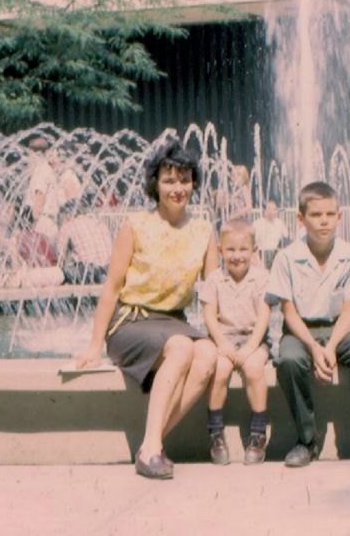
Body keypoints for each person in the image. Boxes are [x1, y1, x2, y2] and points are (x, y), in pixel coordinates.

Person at [75, 137, 219, 480]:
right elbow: (112, 288)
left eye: (184, 180)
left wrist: (226, 337)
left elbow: (212, 292)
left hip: (174, 323)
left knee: (208, 355)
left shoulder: (203, 231)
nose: (178, 188)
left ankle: (149, 444)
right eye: (169, 180)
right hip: (132, 322)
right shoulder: (136, 225)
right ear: (155, 184)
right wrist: (94, 346)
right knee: (182, 348)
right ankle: (152, 450)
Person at [267, 181, 350, 468]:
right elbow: (289, 313)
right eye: (316, 215)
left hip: (337, 330)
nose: (324, 221)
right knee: (289, 360)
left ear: (340, 217)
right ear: (300, 218)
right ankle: (306, 441)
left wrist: (329, 347)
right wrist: (313, 348)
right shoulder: (286, 258)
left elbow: (349, 312)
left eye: (330, 214)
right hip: (299, 331)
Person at [199, 218, 273, 466]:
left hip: (254, 339)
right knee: (219, 369)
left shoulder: (262, 278)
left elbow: (264, 317)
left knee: (253, 368)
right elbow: (209, 316)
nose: (237, 255)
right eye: (230, 249)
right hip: (225, 338)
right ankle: (215, 432)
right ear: (220, 250)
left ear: (254, 250)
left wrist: (251, 347)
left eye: (243, 249)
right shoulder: (214, 279)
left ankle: (258, 432)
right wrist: (222, 343)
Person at [55, 198, 112, 284]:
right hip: (108, 270)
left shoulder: (68, 226)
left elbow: (60, 259)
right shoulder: (100, 224)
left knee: (64, 272)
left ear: (67, 215)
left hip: (87, 273)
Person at [253, 200, 287, 269]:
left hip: (276, 253)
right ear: (264, 211)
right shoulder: (257, 224)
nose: (271, 212)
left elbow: (285, 239)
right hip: (262, 254)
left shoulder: (279, 223)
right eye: (269, 209)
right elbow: (253, 244)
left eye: (274, 209)